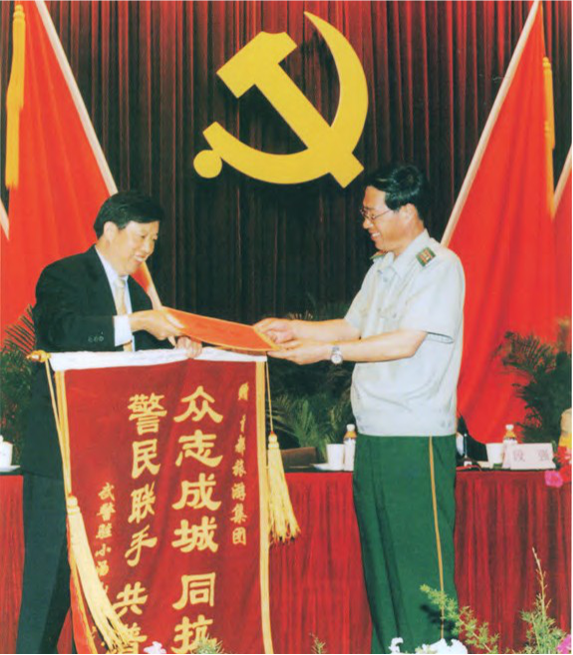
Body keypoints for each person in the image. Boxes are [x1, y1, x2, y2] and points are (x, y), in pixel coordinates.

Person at [256, 163, 465, 653]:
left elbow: (405, 341)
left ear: (407, 211)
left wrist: (325, 353)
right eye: (364, 214)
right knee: (382, 563)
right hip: (373, 434)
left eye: (373, 214)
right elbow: (352, 327)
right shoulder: (382, 268)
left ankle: (434, 646)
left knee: (419, 561)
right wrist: (294, 329)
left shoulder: (439, 267)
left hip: (414, 437)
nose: (366, 224)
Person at [16, 191, 201, 654]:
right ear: (110, 230)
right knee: (48, 583)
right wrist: (137, 322)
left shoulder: (136, 295)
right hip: (62, 457)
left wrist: (180, 349)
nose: (147, 250)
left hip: (116, 464)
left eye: (154, 240)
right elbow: (62, 333)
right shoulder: (63, 275)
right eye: (141, 237)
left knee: (106, 582)